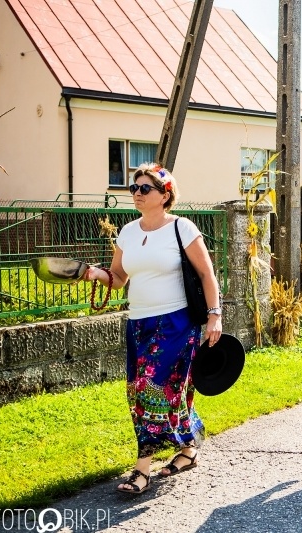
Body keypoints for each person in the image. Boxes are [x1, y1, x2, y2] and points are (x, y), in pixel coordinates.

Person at [83, 163, 222, 494]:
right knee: (155, 390)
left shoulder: (182, 229)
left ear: (165, 195)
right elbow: (118, 279)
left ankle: (141, 470)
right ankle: (189, 448)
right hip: (138, 324)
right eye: (134, 188)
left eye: (145, 189)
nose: (137, 194)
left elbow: (207, 274)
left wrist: (214, 314)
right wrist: (94, 274)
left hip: (175, 323)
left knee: (147, 389)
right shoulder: (128, 232)